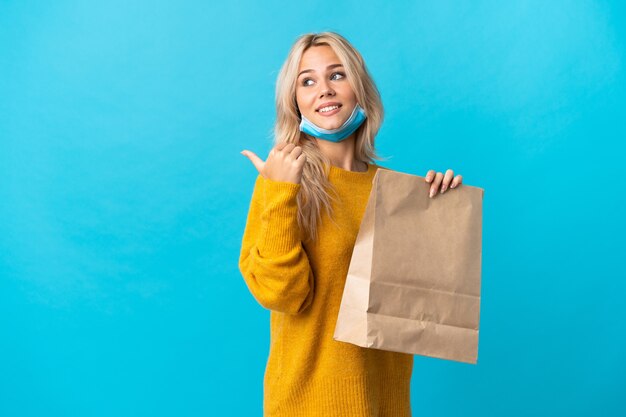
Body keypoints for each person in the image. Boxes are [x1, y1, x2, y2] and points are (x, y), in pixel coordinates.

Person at [239, 31, 463, 417]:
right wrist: (279, 195)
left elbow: (413, 310)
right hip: (309, 404)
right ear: (295, 102)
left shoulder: (396, 194)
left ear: (359, 88)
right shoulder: (281, 183)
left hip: (385, 403)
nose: (323, 89)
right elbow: (281, 296)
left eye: (337, 75)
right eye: (307, 81)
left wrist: (440, 214)